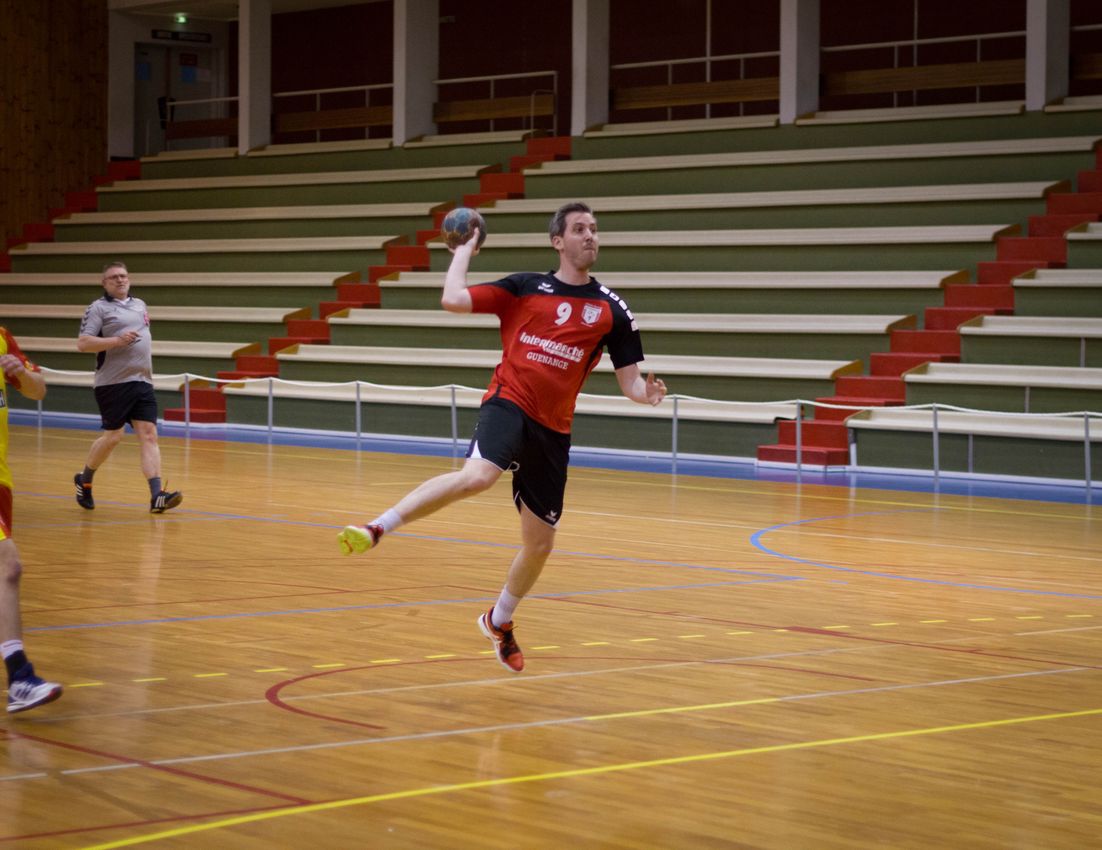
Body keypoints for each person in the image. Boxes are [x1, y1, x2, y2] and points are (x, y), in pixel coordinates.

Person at [338, 202, 667, 673]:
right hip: (509, 403)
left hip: (553, 430)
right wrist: (464, 250)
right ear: (557, 241)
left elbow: (630, 381)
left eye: (594, 229)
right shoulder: (524, 287)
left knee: (540, 545)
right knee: (477, 477)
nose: (590, 236)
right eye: (579, 229)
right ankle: (376, 528)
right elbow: (453, 299)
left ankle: (499, 621)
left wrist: (645, 395)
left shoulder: (612, 310)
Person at [74, 261, 182, 514]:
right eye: (113, 277)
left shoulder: (140, 304)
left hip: (142, 381)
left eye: (123, 276)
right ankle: (84, 479)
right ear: (104, 283)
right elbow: (83, 343)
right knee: (113, 437)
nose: (120, 280)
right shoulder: (98, 308)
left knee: (149, 435)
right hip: (113, 383)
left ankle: (156, 496)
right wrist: (117, 341)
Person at [1, 327, 63, 713]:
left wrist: (21, 374)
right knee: (8, 566)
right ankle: (19, 676)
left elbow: (38, 390)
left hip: (1, 480)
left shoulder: (1, 337)